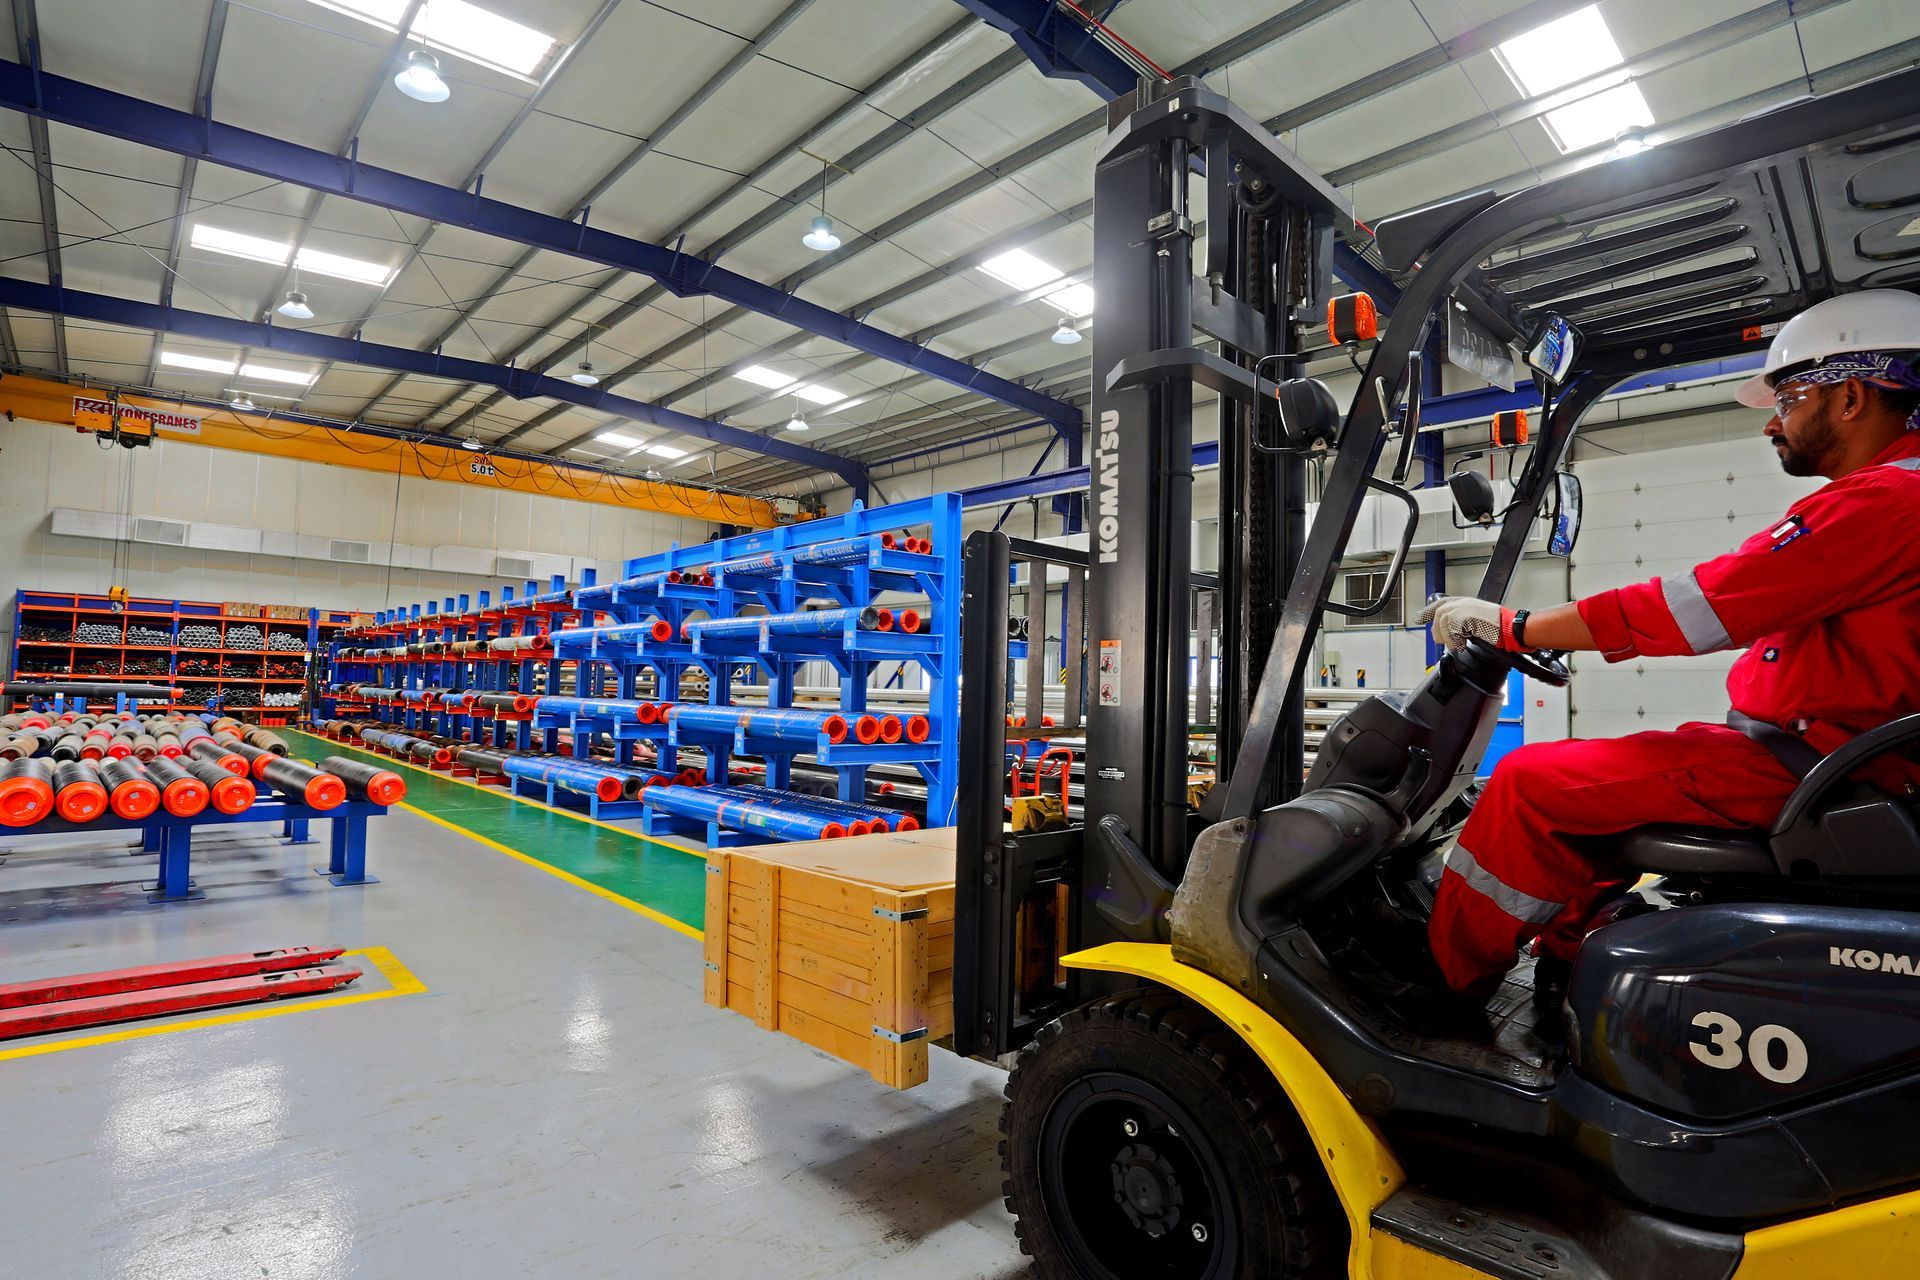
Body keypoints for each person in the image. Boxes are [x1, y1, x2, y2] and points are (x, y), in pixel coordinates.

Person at [1417, 289, 1920, 997]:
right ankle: (1574, 954)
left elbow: (1696, 609)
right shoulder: (1893, 496)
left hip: (1821, 766)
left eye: (1788, 399)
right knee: (1602, 786)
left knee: (1531, 785)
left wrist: (1516, 627)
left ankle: (1444, 987)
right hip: (1820, 755)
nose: (1775, 425)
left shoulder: (1883, 503)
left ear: (1851, 398)